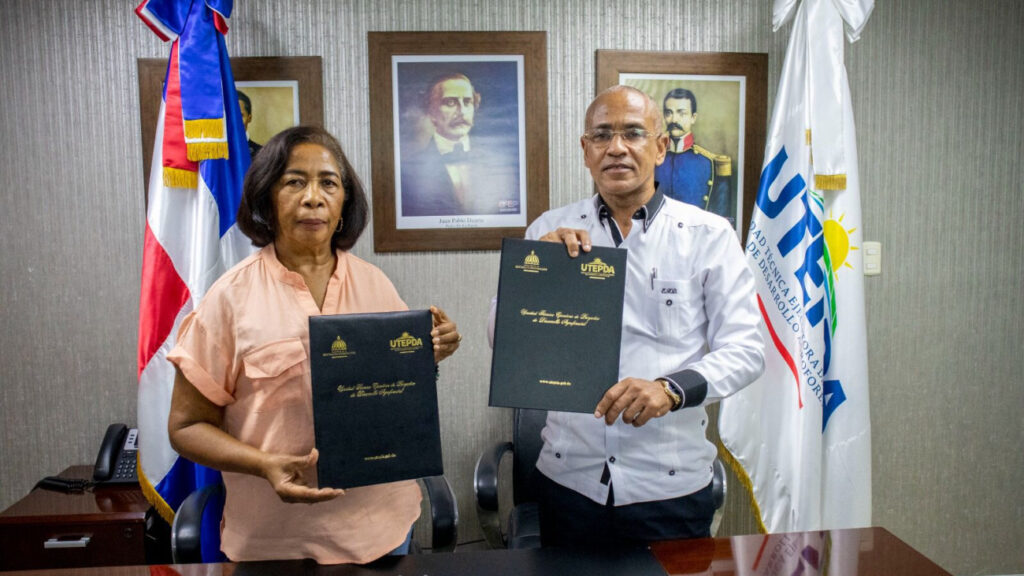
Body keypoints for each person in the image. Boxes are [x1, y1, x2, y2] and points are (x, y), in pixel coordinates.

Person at [166, 126, 461, 564]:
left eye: (328, 182)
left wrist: (432, 352)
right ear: (268, 199)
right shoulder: (229, 298)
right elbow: (186, 427)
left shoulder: (375, 284)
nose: (312, 197)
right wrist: (263, 463)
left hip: (382, 532)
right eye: (294, 182)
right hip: (275, 544)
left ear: (344, 203)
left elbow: (396, 394)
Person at [523, 86, 764, 548]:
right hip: (569, 481)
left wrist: (671, 389)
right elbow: (504, 342)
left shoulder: (708, 235)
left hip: (668, 487)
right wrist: (538, 276)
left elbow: (747, 350)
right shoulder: (547, 232)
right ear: (586, 151)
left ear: (660, 147)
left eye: (633, 133)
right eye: (601, 135)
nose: (616, 147)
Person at [399, 72, 520, 217]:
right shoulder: (409, 173)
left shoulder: (501, 165)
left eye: (467, 102)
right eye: (450, 102)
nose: (462, 111)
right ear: (430, 111)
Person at [653, 88, 733, 225]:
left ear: (693, 118)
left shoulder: (711, 163)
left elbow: (721, 222)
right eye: (669, 113)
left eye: (681, 113)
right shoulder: (652, 160)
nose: (674, 119)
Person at [237, 89, 262, 158]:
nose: (235, 122)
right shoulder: (214, 154)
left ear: (249, 118)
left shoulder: (262, 153)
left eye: (240, 116)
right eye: (230, 116)